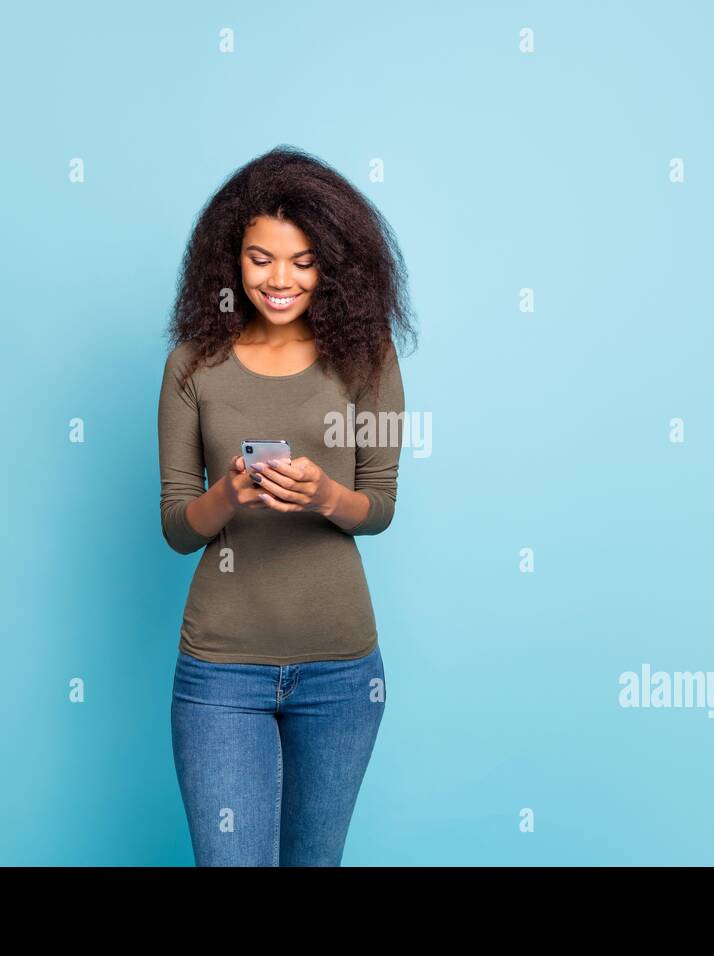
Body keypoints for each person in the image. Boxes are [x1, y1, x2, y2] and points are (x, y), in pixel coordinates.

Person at [157, 145, 416, 865]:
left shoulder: (369, 358)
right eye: (260, 258)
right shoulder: (192, 365)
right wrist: (227, 496)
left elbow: (382, 503)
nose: (280, 280)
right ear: (229, 261)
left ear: (334, 264)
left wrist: (327, 495)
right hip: (220, 673)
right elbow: (177, 525)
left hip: (340, 670)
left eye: (303, 262)